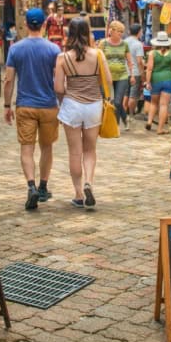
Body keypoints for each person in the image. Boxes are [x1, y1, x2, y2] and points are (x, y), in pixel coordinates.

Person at [3, 8, 62, 210]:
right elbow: (59, 81)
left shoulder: (15, 49)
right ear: (44, 25)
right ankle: (43, 187)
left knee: (27, 148)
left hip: (25, 105)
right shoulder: (54, 49)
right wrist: (62, 104)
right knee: (47, 147)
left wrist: (6, 105)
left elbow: (9, 80)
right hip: (48, 105)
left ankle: (31, 186)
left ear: (26, 25)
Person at [54, 17, 111, 209]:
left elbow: (58, 88)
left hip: (72, 106)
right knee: (90, 150)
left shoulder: (63, 58)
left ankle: (78, 194)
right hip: (94, 105)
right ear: (88, 32)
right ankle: (89, 182)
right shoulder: (98, 55)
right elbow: (109, 81)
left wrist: (65, 100)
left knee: (74, 153)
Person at [145, 31, 171, 134]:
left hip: (155, 79)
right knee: (164, 105)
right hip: (169, 79)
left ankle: (149, 121)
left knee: (153, 102)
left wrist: (148, 82)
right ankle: (160, 129)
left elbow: (149, 69)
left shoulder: (152, 53)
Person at [101, 20, 134, 130]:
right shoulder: (103, 43)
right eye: (119, 31)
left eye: (122, 32)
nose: (121, 34)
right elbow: (99, 60)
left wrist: (132, 75)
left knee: (118, 102)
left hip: (122, 76)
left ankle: (116, 125)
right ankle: (125, 119)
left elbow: (129, 61)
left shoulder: (124, 44)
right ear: (112, 31)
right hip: (107, 77)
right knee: (110, 102)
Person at [124, 23, 146, 123]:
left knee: (126, 94)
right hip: (135, 72)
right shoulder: (138, 44)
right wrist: (143, 74)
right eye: (141, 31)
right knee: (133, 95)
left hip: (124, 72)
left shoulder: (124, 42)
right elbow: (139, 61)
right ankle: (131, 114)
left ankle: (124, 114)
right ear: (139, 32)